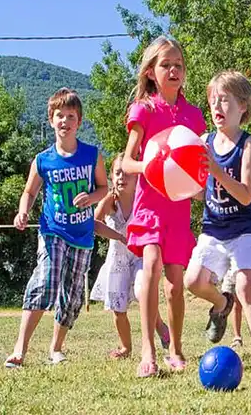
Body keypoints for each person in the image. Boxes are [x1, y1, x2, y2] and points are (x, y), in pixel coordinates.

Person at [121, 36, 207, 377]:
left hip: (178, 207)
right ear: (151, 73)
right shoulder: (144, 110)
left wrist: (202, 188)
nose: (173, 70)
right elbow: (128, 162)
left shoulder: (193, 115)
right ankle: (147, 349)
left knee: (175, 281)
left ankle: (176, 348)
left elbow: (198, 164)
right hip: (149, 203)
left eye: (178, 65)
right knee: (152, 264)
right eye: (166, 65)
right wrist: (152, 165)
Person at [5, 88, 108, 368]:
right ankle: (19, 349)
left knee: (72, 295)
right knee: (46, 282)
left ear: (79, 121)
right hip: (52, 230)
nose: (65, 121)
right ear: (51, 119)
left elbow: (104, 188)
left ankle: (56, 348)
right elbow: (29, 191)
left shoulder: (91, 155)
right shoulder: (43, 160)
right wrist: (23, 211)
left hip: (82, 235)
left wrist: (92, 197)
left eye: (70, 116)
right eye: (59, 116)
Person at [183, 71, 251, 374]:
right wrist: (174, 187)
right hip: (213, 227)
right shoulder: (204, 142)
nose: (217, 106)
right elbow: (200, 191)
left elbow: (246, 195)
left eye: (225, 100)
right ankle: (222, 304)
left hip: (245, 228)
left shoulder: (248, 144)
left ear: (243, 106)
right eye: (213, 101)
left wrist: (217, 173)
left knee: (247, 287)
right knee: (193, 281)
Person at [90, 153, 170, 359]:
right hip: (117, 259)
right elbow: (93, 224)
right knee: (118, 309)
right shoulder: (110, 201)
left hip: (140, 257)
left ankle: (159, 324)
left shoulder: (143, 199)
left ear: (137, 179)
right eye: (117, 173)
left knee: (143, 291)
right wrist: (119, 236)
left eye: (127, 174)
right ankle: (126, 347)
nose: (121, 178)